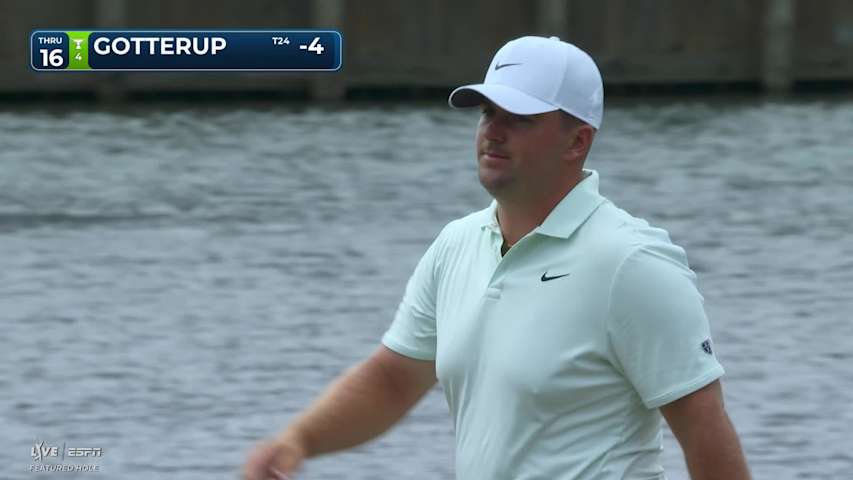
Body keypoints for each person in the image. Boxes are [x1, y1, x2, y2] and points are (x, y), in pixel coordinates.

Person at [244, 35, 751, 480]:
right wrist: (299, 440)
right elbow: (394, 379)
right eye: (488, 113)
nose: (494, 130)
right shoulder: (456, 244)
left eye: (520, 118)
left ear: (577, 141)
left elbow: (703, 428)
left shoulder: (632, 262)